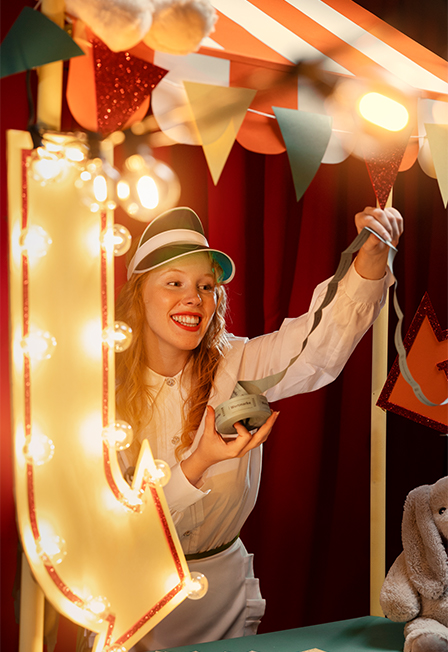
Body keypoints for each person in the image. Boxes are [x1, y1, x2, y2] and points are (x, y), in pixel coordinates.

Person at [114, 205, 403, 651]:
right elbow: (117, 521)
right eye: (174, 283)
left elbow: (317, 347)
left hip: (222, 599)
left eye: (205, 286)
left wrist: (369, 261)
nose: (194, 298)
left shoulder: (238, 362)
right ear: (139, 295)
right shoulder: (103, 389)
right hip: (132, 597)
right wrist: (199, 462)